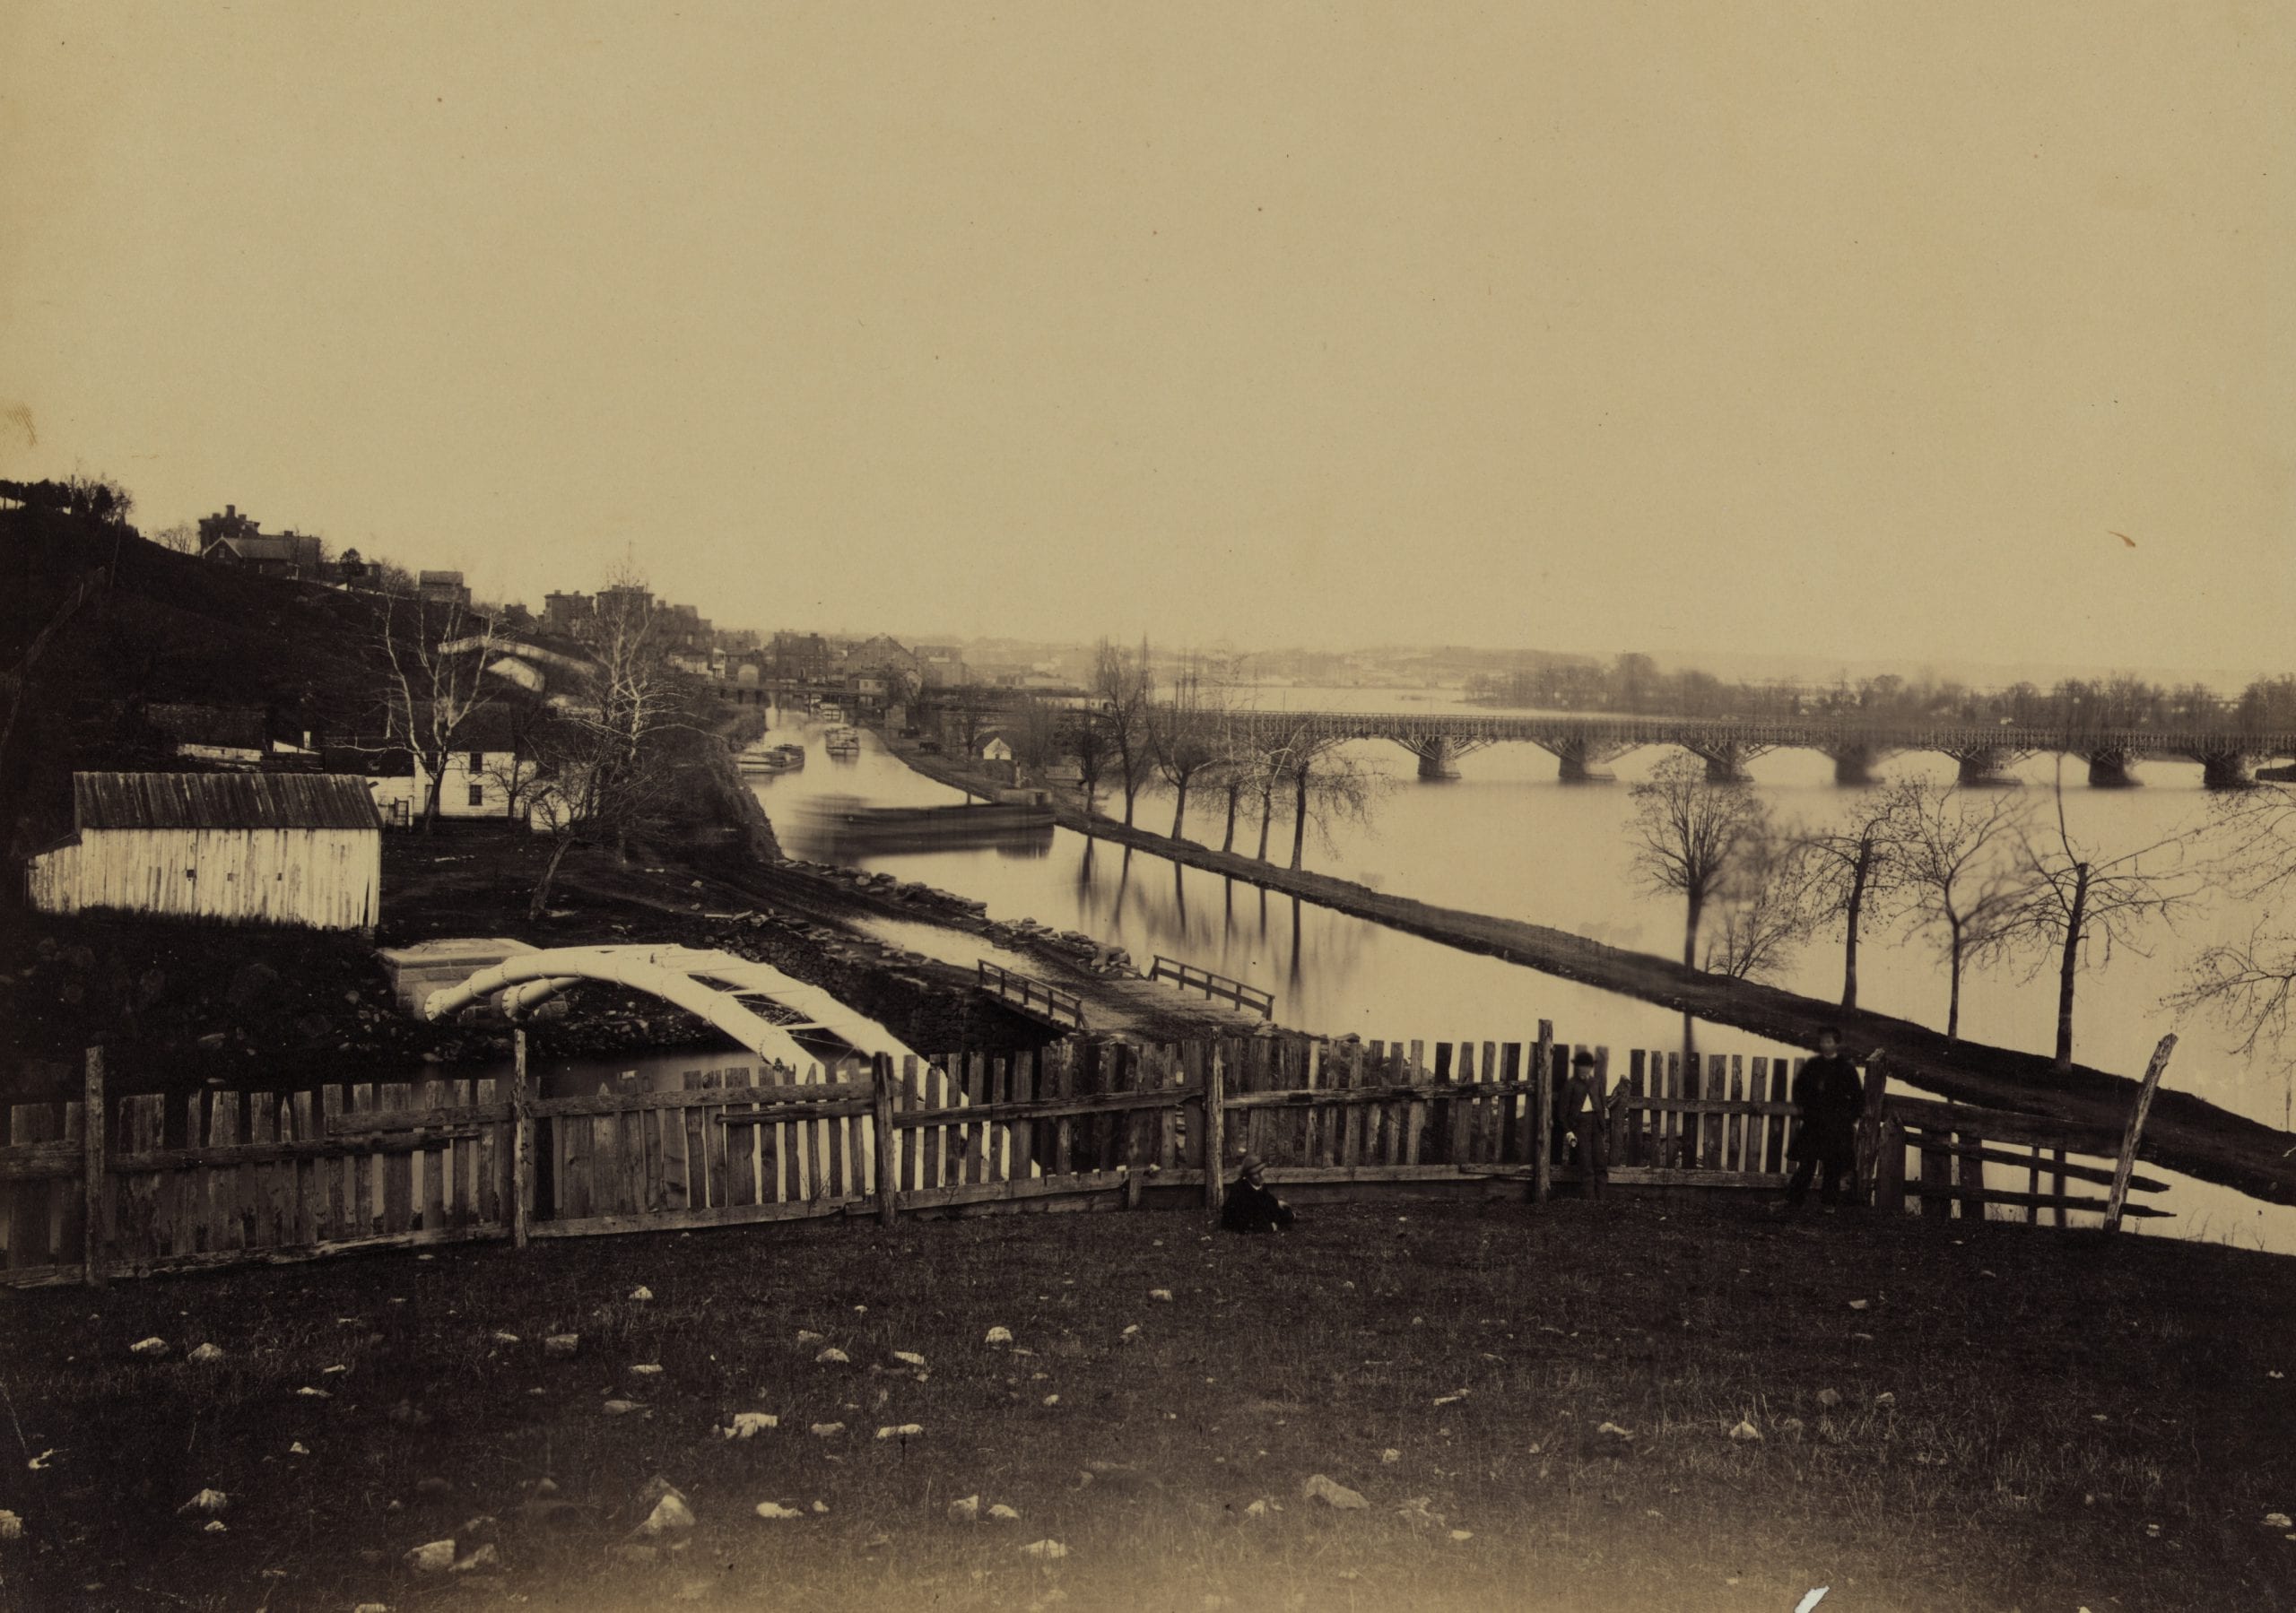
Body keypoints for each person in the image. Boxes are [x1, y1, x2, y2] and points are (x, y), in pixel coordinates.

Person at [1785, 1028, 1871, 1209]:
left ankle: (1828, 1204)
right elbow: (1799, 1089)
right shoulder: (1813, 1066)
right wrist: (1805, 1111)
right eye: (1823, 1041)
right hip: (1814, 1124)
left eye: (1829, 1042)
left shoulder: (1846, 1068)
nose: (1825, 1045)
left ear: (1837, 1044)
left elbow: (1858, 1098)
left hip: (1836, 1126)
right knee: (1807, 1164)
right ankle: (1793, 1202)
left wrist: (1848, 1118)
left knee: (1833, 1165)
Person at [1220, 1154, 1294, 1233]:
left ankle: (1292, 1216)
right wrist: (1268, 1227)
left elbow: (1267, 1197)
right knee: (1265, 1219)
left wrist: (1277, 1202)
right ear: (1247, 1176)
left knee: (1282, 1210)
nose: (1260, 1175)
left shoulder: (1258, 1184)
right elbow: (1242, 1218)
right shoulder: (1239, 1190)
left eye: (1261, 1171)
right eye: (1255, 1173)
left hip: (1258, 1212)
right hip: (1244, 1218)